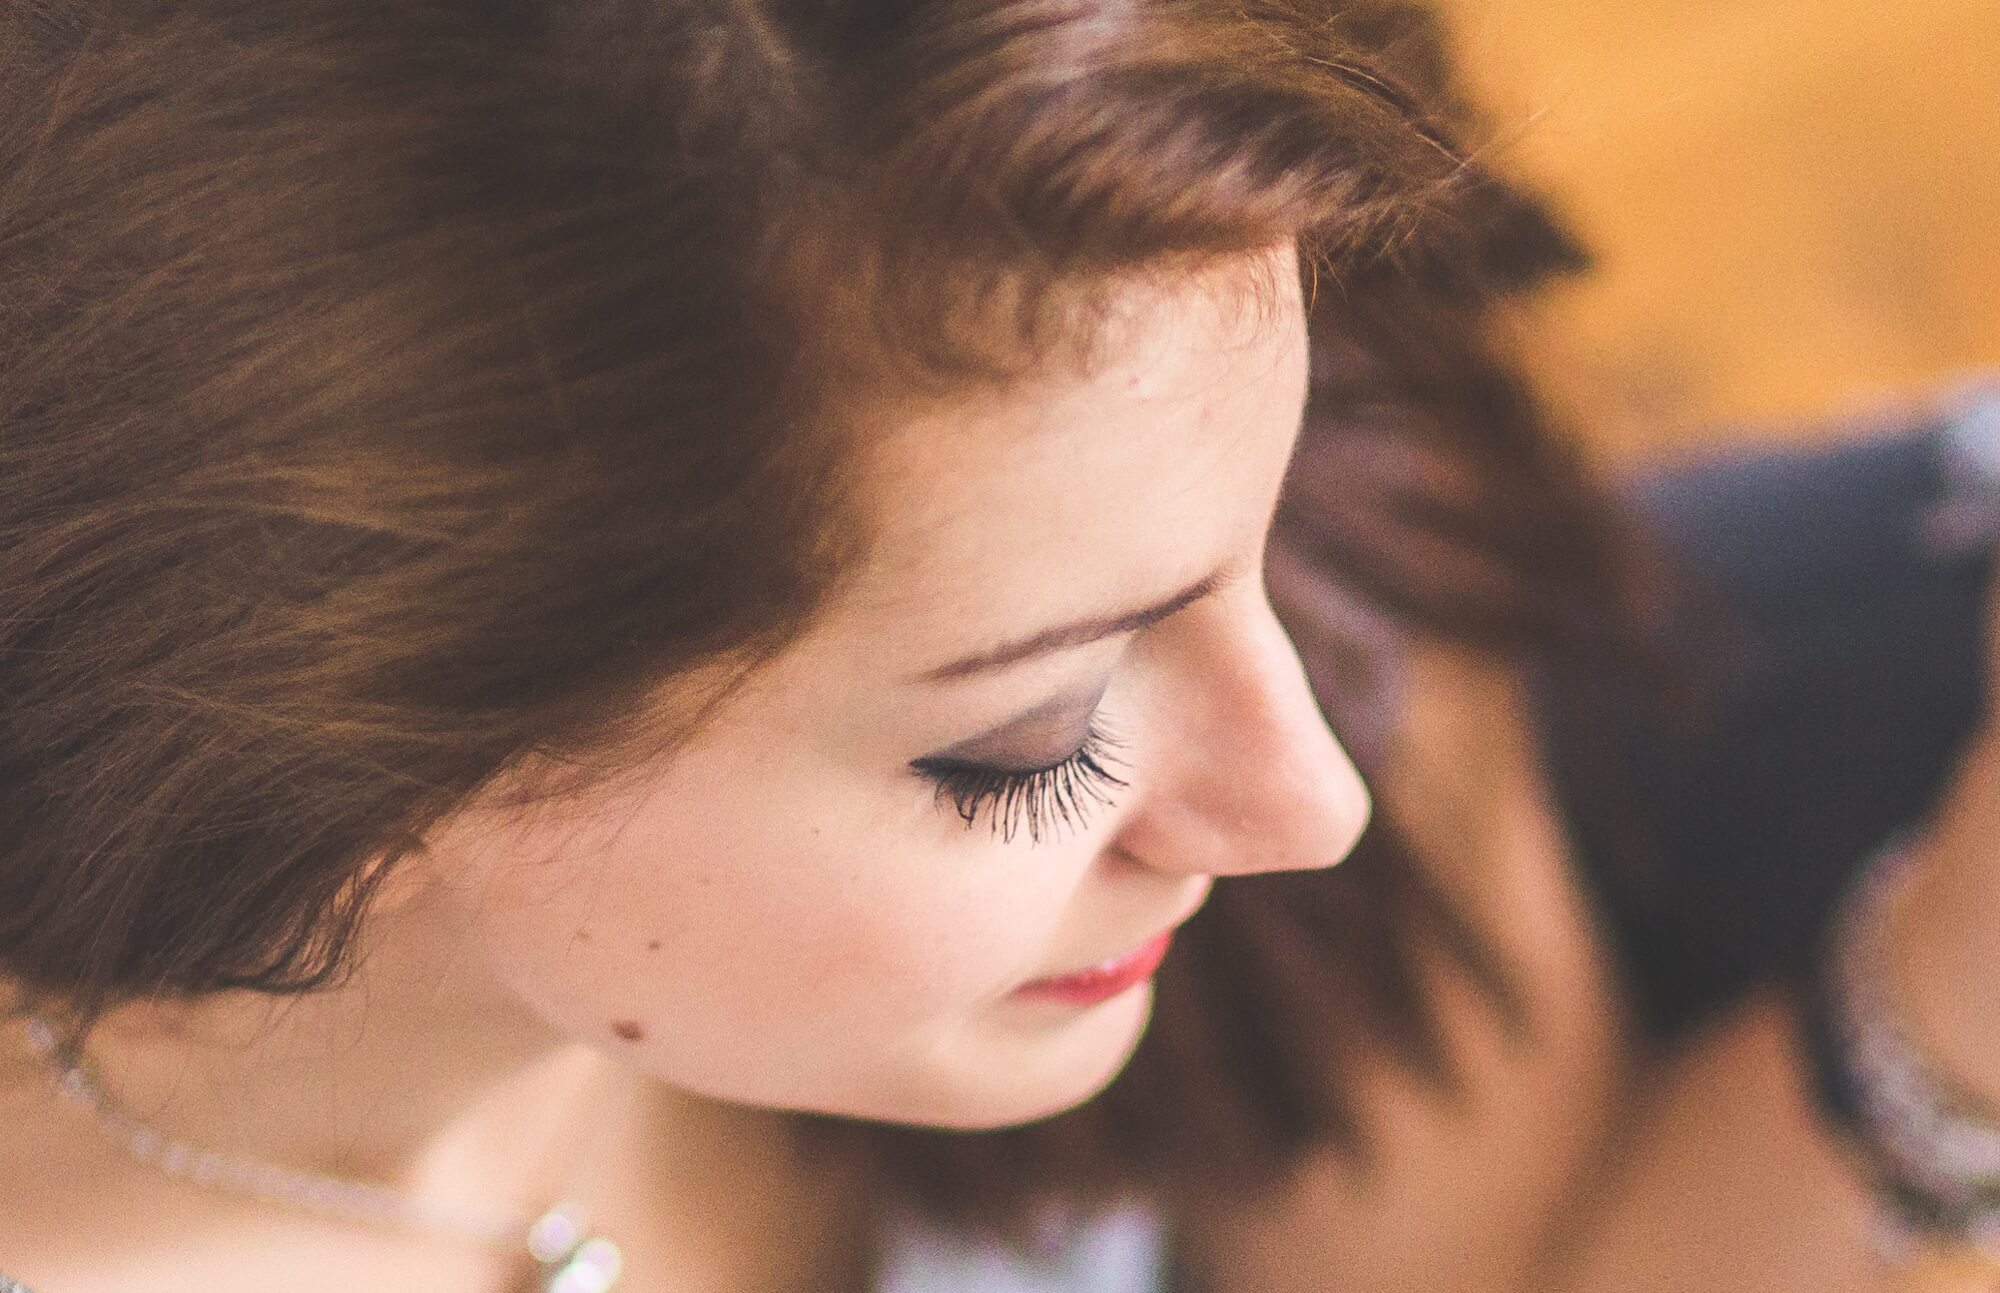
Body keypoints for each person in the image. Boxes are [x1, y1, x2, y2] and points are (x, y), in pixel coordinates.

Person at [3, 4, 1996, 1293]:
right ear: (346, 758)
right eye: (1028, 738)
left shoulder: (1232, 517)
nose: (1308, 795)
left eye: (1259, 524)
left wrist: (1956, 981)